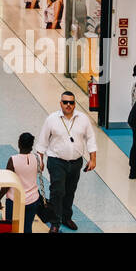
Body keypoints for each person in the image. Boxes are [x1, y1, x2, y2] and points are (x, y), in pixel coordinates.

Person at [35, 90, 98, 232]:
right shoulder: (52, 119)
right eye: (65, 102)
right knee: (57, 191)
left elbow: (91, 139)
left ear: (75, 104)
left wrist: (93, 159)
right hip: (56, 161)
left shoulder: (83, 119)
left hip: (76, 163)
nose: (68, 105)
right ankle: (55, 222)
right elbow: (42, 141)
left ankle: (66, 217)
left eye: (71, 102)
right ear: (60, 103)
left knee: (70, 191)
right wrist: (40, 159)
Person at [0, 133, 45, 233]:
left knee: (11, 228)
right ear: (31, 146)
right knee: (27, 228)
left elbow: (7, 184)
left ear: (19, 144)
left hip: (15, 200)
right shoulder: (38, 158)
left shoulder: (13, 160)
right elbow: (40, 169)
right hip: (32, 199)